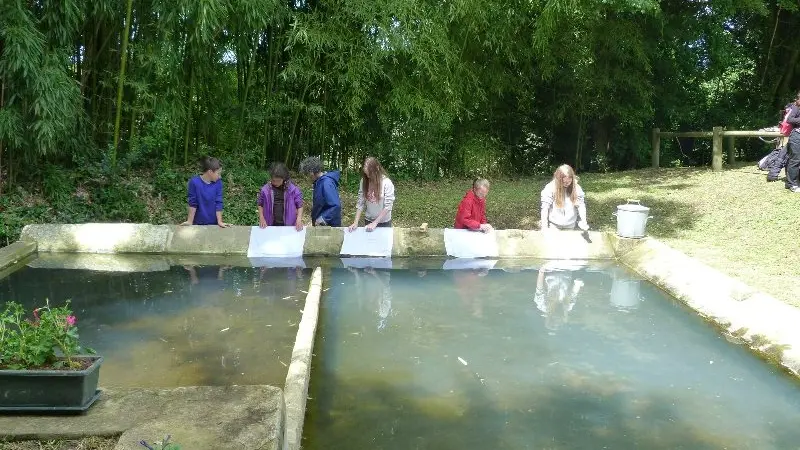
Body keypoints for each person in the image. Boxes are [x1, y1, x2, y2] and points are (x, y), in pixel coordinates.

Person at [348, 157, 395, 232]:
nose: (368, 177)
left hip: (384, 222)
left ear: (377, 169)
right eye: (366, 174)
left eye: (370, 174)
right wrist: (355, 222)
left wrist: (375, 223)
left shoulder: (387, 183)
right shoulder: (364, 181)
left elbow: (388, 206)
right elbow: (360, 202)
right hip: (368, 220)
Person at [182, 156, 230, 227]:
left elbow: (218, 202)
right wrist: (190, 221)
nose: (220, 176)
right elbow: (193, 203)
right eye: (218, 173)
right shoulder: (194, 182)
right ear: (210, 172)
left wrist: (220, 222)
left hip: (214, 224)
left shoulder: (218, 183)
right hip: (197, 223)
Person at [257, 162, 304, 231]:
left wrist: (299, 219)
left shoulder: (293, 189)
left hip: (289, 226)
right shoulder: (265, 190)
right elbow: (260, 204)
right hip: (270, 225)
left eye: (278, 181)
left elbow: (300, 205)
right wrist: (261, 217)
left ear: (284, 178)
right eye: (273, 180)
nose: (275, 183)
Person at [540, 164, 589, 230]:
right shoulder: (550, 188)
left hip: (571, 224)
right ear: (558, 179)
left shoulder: (576, 188)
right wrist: (544, 227)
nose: (567, 184)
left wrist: (584, 221)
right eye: (564, 182)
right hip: (554, 225)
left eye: (569, 181)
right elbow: (545, 208)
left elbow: (581, 205)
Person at [298, 156, 342, 227]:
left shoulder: (326, 183)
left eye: (306, 174)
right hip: (322, 225)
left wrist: (321, 219)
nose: (306, 177)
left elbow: (335, 206)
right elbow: (320, 205)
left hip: (329, 227)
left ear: (311, 173)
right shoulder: (319, 182)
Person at [784, 93, 800, 193]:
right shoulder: (796, 107)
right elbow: (789, 119)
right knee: (795, 160)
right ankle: (791, 184)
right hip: (797, 136)